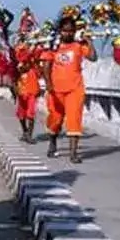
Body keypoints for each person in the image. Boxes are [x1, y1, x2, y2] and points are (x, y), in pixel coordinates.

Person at [42, 12, 97, 163]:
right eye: (65, 30)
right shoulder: (53, 46)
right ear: (60, 31)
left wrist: (89, 42)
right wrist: (48, 85)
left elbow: (93, 57)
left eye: (71, 30)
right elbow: (46, 65)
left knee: (74, 119)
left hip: (75, 89)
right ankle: (53, 143)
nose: (68, 33)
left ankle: (73, 154)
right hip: (56, 90)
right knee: (55, 120)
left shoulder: (79, 46)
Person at [12, 31, 43, 142]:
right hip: (21, 88)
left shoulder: (31, 53)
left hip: (31, 87)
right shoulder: (17, 52)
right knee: (21, 114)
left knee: (30, 113)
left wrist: (34, 46)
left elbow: (33, 57)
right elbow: (16, 66)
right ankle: (25, 132)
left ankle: (29, 134)